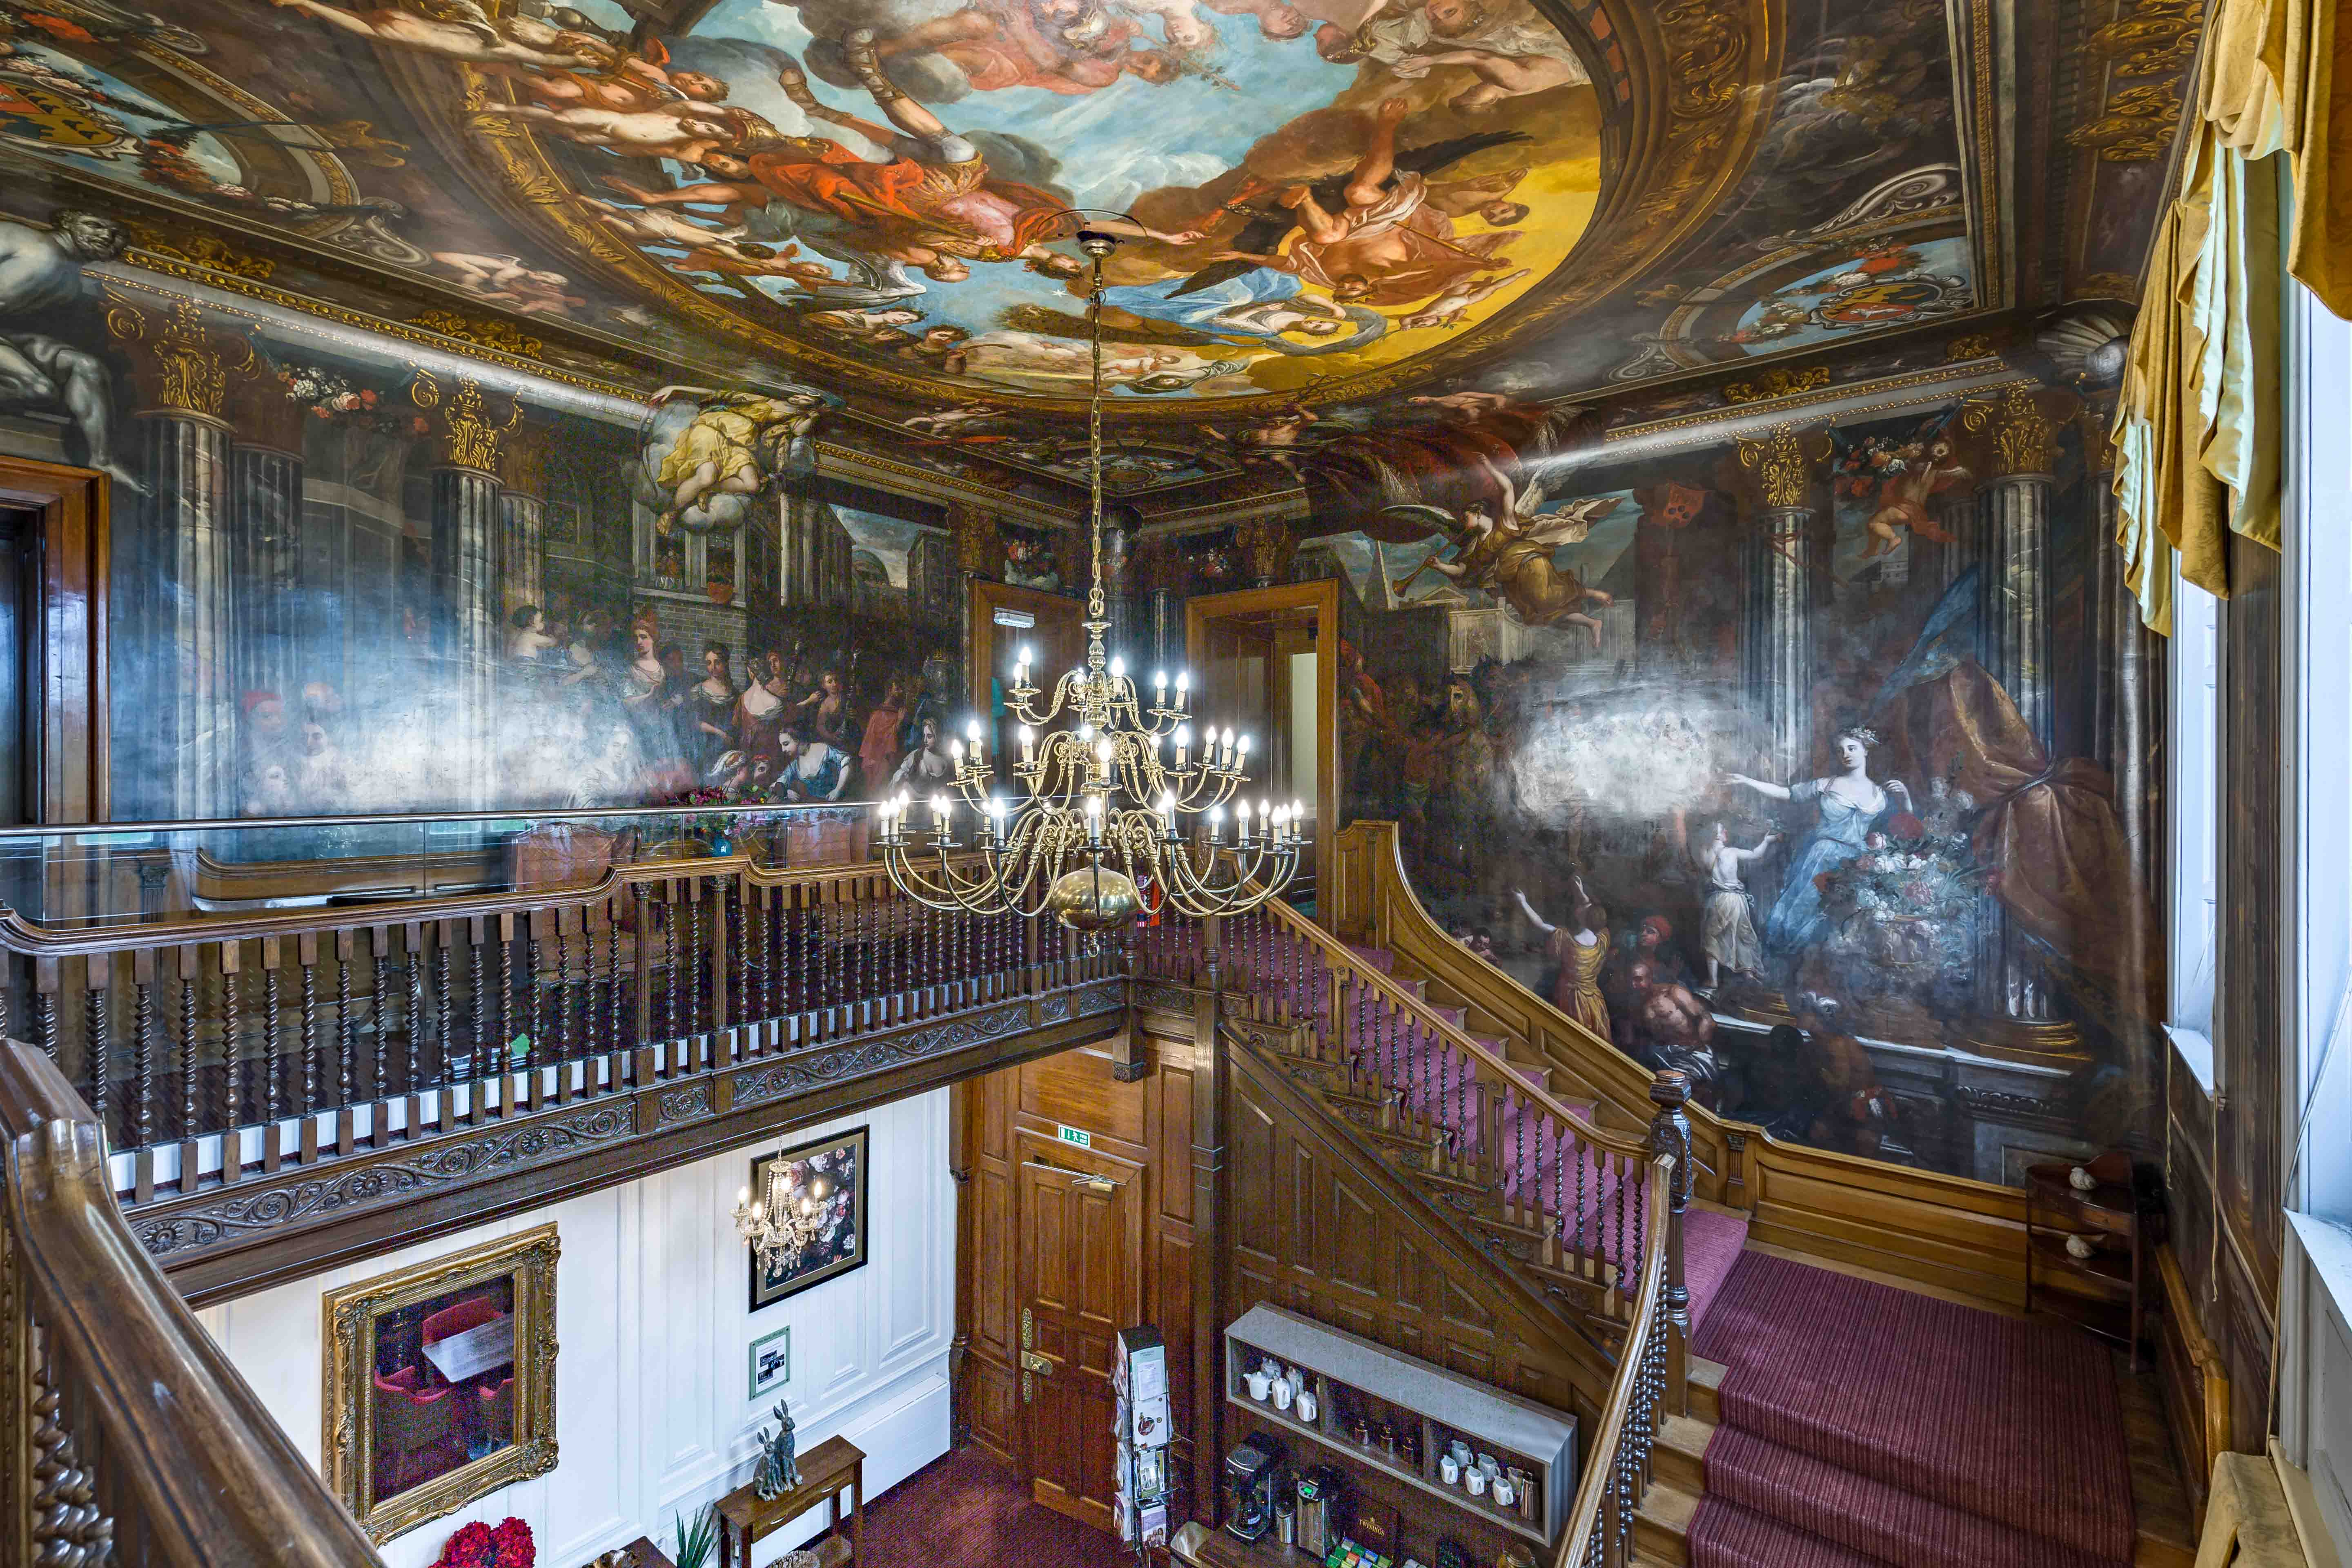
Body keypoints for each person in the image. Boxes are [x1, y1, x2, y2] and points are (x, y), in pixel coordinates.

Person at [1724, 727, 1913, 959]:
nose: (1846, 754)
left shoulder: (1881, 794)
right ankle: (1782, 967)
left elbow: (1906, 829)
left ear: (1866, 751)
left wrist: (1905, 797)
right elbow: (1787, 794)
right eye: (1841, 750)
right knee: (1798, 915)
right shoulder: (1828, 784)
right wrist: (1747, 781)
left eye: (1852, 748)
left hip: (1857, 865)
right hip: (1821, 859)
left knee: (1842, 925)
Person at [1512, 885, 1608, 1039]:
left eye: (1583, 906)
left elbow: (1540, 924)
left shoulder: (1565, 938)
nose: (1579, 906)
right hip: (1594, 1000)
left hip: (1571, 998)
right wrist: (1583, 893)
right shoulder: (1603, 940)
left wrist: (1523, 901)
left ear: (1585, 916)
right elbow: (1593, 910)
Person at [1696, 820, 1777, 991]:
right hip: (1736, 900)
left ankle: (1713, 980)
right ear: (1716, 835)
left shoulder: (1704, 853)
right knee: (1743, 935)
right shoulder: (1732, 852)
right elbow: (1756, 855)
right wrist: (1767, 841)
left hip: (1716, 899)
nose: (1726, 831)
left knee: (1713, 937)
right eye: (1722, 830)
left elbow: (1703, 872)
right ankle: (1748, 973)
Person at [688, 643, 739, 780]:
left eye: (717, 663)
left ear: (725, 664)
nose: (713, 668)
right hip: (706, 745)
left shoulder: (734, 693)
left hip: (729, 746)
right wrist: (720, 733)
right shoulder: (699, 691)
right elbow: (695, 722)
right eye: (709, 663)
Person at [860, 675, 909, 796]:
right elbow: (878, 738)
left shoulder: (898, 710)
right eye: (897, 689)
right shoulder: (878, 714)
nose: (901, 692)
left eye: (901, 689)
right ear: (889, 692)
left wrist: (900, 723)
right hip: (879, 758)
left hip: (891, 756)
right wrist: (899, 723)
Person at [775, 730, 853, 801]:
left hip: (838, 799)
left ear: (798, 739)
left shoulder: (824, 749)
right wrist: (786, 792)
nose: (783, 750)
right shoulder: (795, 765)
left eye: (786, 744)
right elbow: (778, 783)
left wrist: (837, 790)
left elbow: (846, 763)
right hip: (815, 802)